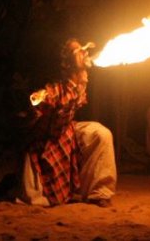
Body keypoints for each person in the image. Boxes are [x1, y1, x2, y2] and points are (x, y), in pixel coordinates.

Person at [14, 38, 116, 207]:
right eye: (77, 51)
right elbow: (30, 115)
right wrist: (32, 109)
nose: (84, 51)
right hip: (45, 142)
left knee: (100, 133)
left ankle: (99, 193)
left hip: (67, 133)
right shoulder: (54, 89)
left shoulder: (81, 83)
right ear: (67, 63)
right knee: (38, 199)